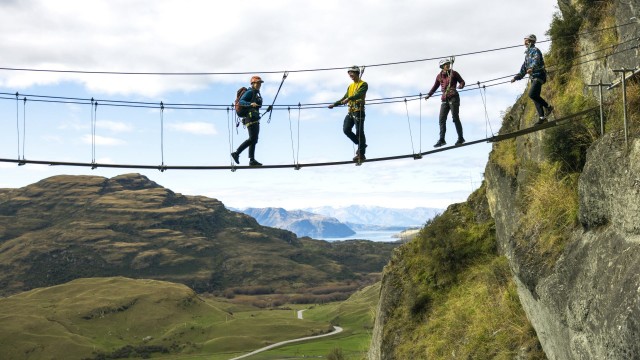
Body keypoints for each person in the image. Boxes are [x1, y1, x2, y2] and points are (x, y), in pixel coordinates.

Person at [511, 34, 553, 125]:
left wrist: (532, 68)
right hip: (533, 78)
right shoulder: (527, 55)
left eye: (525, 40)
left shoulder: (535, 51)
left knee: (532, 94)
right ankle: (542, 118)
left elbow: (536, 60)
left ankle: (548, 107)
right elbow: (523, 68)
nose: (524, 42)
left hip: (539, 75)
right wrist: (516, 77)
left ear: (530, 41)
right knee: (535, 97)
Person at [328, 65, 369, 162]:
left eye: (352, 73)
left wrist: (349, 99)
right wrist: (334, 104)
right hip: (351, 112)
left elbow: (359, 94)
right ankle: (361, 144)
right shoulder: (350, 86)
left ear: (357, 73)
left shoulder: (363, 84)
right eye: (349, 73)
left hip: (358, 111)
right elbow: (344, 98)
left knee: (359, 132)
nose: (350, 74)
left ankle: (361, 154)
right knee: (346, 130)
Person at [424, 58, 466, 147]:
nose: (448, 65)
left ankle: (461, 138)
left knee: (455, 118)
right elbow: (435, 87)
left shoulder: (454, 73)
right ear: (442, 66)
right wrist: (429, 95)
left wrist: (461, 85)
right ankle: (442, 140)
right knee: (441, 120)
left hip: (454, 97)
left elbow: (462, 81)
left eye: (448, 64)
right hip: (444, 99)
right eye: (446, 64)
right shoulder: (439, 76)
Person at [231, 75, 265, 166]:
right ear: (253, 83)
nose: (259, 85)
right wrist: (250, 103)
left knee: (254, 139)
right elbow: (241, 102)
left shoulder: (256, 93)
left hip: (254, 118)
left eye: (260, 83)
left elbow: (257, 106)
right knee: (252, 139)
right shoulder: (250, 92)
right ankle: (237, 153)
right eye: (257, 83)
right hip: (250, 118)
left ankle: (252, 160)